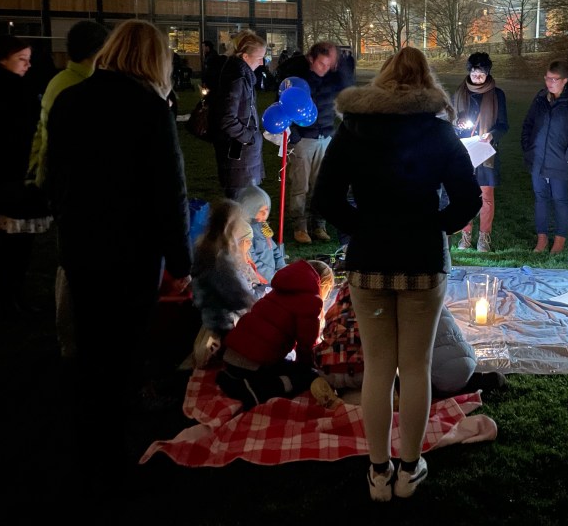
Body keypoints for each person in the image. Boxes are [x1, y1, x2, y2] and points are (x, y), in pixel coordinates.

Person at [312, 46, 482, 502]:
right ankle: (409, 468)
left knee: (378, 368)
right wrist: (435, 227)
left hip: (368, 260)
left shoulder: (353, 129)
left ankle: (378, 470)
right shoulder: (439, 132)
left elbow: (325, 198)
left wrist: (361, 228)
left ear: (383, 80)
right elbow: (469, 199)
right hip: (422, 261)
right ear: (427, 83)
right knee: (417, 366)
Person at [46, 20, 192, 491]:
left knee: (91, 351)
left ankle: (87, 448)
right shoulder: (149, 109)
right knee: (123, 354)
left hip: (82, 246)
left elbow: (54, 175)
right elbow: (169, 192)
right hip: (131, 253)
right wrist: (181, 262)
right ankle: (110, 462)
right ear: (154, 59)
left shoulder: (71, 100)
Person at [26, 19, 109, 357]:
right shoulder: (77, 88)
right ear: (99, 52)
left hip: (66, 186)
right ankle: (73, 338)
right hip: (78, 191)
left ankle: (75, 335)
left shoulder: (62, 81)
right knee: (77, 265)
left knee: (75, 261)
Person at [0, 35, 52, 316]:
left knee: (10, 243)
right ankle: (10, 298)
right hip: (13, 179)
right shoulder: (11, 91)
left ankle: (8, 296)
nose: (27, 65)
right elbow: (21, 133)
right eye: (21, 59)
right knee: (16, 242)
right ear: (2, 60)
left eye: (29, 60)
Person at [314, 279, 506, 398]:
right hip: (464, 364)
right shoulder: (427, 296)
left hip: (335, 370)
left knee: (404, 376)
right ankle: (473, 382)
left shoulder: (369, 302)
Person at [215, 259, 335, 409]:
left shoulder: (280, 289)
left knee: (285, 366)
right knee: (304, 377)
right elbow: (306, 346)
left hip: (231, 354)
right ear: (324, 285)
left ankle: (233, 380)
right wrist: (307, 367)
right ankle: (256, 391)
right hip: (253, 364)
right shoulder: (311, 301)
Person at [274, 41, 356, 245]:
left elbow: (348, 89)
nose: (324, 69)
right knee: (300, 185)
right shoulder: (296, 78)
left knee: (321, 184)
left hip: (325, 136)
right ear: (311, 59)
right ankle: (300, 225)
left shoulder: (332, 77)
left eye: (328, 65)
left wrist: (343, 65)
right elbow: (283, 104)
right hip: (303, 138)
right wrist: (294, 135)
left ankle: (318, 223)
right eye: (321, 64)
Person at [520, 59, 568, 255]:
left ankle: (559, 239)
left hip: (559, 161)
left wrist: (567, 155)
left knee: (560, 200)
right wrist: (528, 147)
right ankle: (542, 238)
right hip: (538, 159)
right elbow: (528, 123)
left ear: (565, 80)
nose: (549, 83)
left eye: (554, 79)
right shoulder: (541, 97)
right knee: (540, 198)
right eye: (547, 78)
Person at [453, 52, 509, 253]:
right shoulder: (459, 94)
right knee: (465, 195)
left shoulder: (497, 95)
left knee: (486, 197)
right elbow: (450, 123)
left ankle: (484, 238)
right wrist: (457, 124)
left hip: (486, 153)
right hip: (464, 152)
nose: (478, 78)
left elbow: (503, 125)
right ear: (469, 72)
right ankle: (466, 235)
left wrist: (491, 135)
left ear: (488, 73)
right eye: (474, 74)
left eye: (482, 74)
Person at [191, 199, 264, 348]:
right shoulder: (219, 258)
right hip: (220, 324)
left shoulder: (202, 247)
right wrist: (258, 304)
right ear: (231, 227)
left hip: (207, 316)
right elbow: (237, 296)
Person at [209, 30, 266, 200]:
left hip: (242, 152)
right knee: (242, 202)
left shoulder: (241, 76)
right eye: (259, 58)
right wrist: (249, 137)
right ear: (245, 57)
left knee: (246, 201)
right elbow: (227, 119)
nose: (262, 62)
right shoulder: (237, 79)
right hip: (239, 152)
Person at [236, 185, 286, 284]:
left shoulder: (262, 226)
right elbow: (252, 260)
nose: (265, 214)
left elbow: (274, 249)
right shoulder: (245, 232)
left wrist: (282, 269)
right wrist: (273, 276)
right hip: (260, 281)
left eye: (266, 210)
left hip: (274, 277)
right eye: (261, 211)